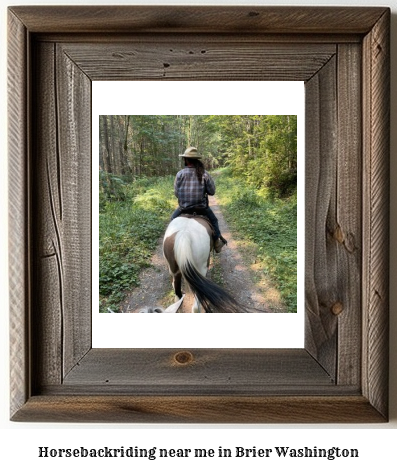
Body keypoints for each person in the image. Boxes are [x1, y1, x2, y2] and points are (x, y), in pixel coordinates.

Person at [171, 147, 227, 253]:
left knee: (172, 219)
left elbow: (177, 194)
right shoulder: (204, 174)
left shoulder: (180, 174)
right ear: (196, 160)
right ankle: (216, 243)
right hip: (201, 209)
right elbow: (212, 192)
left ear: (186, 160)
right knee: (214, 221)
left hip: (184, 209)